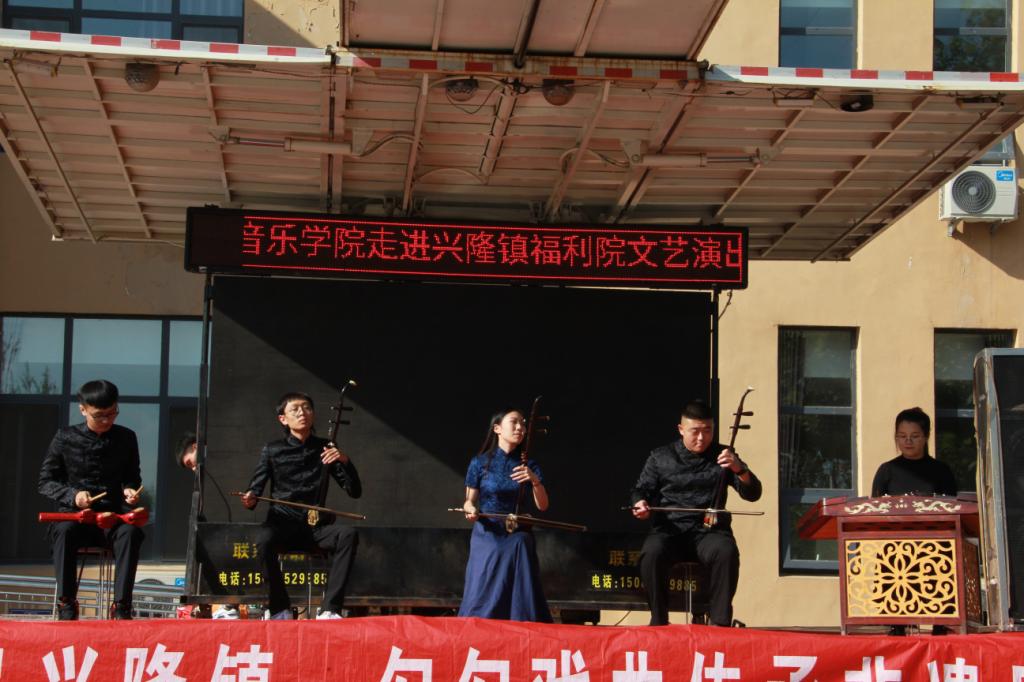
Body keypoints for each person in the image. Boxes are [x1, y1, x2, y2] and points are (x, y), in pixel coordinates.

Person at [630, 399, 762, 627]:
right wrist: (639, 503)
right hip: (670, 530)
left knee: (726, 551)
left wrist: (739, 468)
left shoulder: (724, 456)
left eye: (708, 431)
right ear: (681, 429)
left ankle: (720, 622)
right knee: (651, 553)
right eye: (695, 431)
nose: (702, 438)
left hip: (709, 532)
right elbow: (641, 490)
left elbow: (753, 493)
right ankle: (658, 620)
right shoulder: (661, 457)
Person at [241, 392, 362, 620]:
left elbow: (354, 491)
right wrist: (250, 498)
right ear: (283, 419)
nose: (302, 413)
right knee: (263, 541)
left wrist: (344, 460)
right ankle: (280, 608)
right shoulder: (272, 450)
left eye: (306, 408)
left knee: (347, 534)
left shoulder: (325, 448)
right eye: (294, 409)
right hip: (282, 525)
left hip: (314, 529)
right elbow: (254, 490)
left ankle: (330, 609)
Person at [38, 379, 145, 621]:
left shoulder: (126, 438)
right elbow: (45, 481)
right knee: (64, 531)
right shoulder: (65, 437)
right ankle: (66, 603)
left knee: (131, 533)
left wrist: (130, 491)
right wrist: (73, 496)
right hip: (76, 517)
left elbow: (132, 477)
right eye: (99, 415)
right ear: (83, 409)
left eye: (112, 413)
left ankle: (122, 606)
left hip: (111, 517)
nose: (107, 420)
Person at [459, 407, 552, 622]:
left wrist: (534, 480)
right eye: (514, 422)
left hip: (516, 529)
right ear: (497, 428)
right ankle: (480, 621)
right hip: (488, 529)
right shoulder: (480, 462)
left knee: (521, 542)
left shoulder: (528, 465)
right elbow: (469, 501)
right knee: (491, 556)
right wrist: (471, 510)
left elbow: (543, 506)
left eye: (523, 424)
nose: (520, 427)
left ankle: (522, 619)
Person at [872, 407, 958, 497]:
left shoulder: (942, 471)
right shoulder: (886, 471)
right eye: (903, 436)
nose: (908, 441)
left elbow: (952, 503)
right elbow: (875, 503)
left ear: (926, 436)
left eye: (915, 436)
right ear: (896, 437)